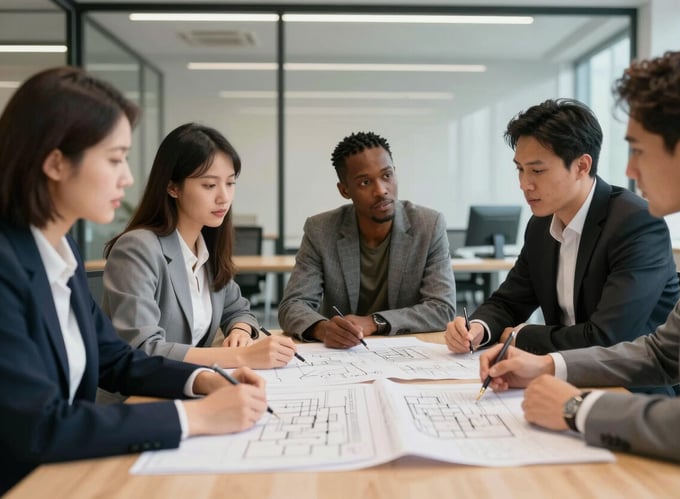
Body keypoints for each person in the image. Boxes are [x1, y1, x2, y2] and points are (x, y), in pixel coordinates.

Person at [479, 44, 680, 489]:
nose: (630, 169)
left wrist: (577, 409)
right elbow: (660, 352)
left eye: (638, 150)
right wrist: (549, 366)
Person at [0, 67, 269, 493]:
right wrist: (195, 417)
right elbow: (38, 426)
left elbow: (117, 361)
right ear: (55, 162)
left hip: (66, 469)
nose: (126, 178)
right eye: (114, 158)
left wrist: (204, 380)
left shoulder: (57, 251)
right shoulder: (7, 266)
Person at [445, 99, 679, 364]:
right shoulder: (541, 225)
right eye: (520, 169)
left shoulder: (635, 223)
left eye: (537, 170)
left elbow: (608, 338)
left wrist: (519, 336)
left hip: (629, 386)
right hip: (560, 374)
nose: (524, 184)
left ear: (582, 166)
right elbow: (509, 301)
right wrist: (478, 328)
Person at [102, 123, 296, 374]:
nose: (224, 197)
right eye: (209, 185)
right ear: (173, 187)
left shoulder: (205, 247)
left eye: (230, 183)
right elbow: (143, 349)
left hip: (192, 386)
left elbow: (238, 308)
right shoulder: (138, 248)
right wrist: (241, 355)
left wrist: (239, 330)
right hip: (138, 398)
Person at [278, 131, 456, 348]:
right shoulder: (321, 230)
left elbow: (442, 309)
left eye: (387, 175)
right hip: (344, 355)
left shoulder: (428, 225)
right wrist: (323, 329)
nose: (381, 191)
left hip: (405, 351)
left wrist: (375, 322)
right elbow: (292, 305)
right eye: (364, 182)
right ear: (344, 190)